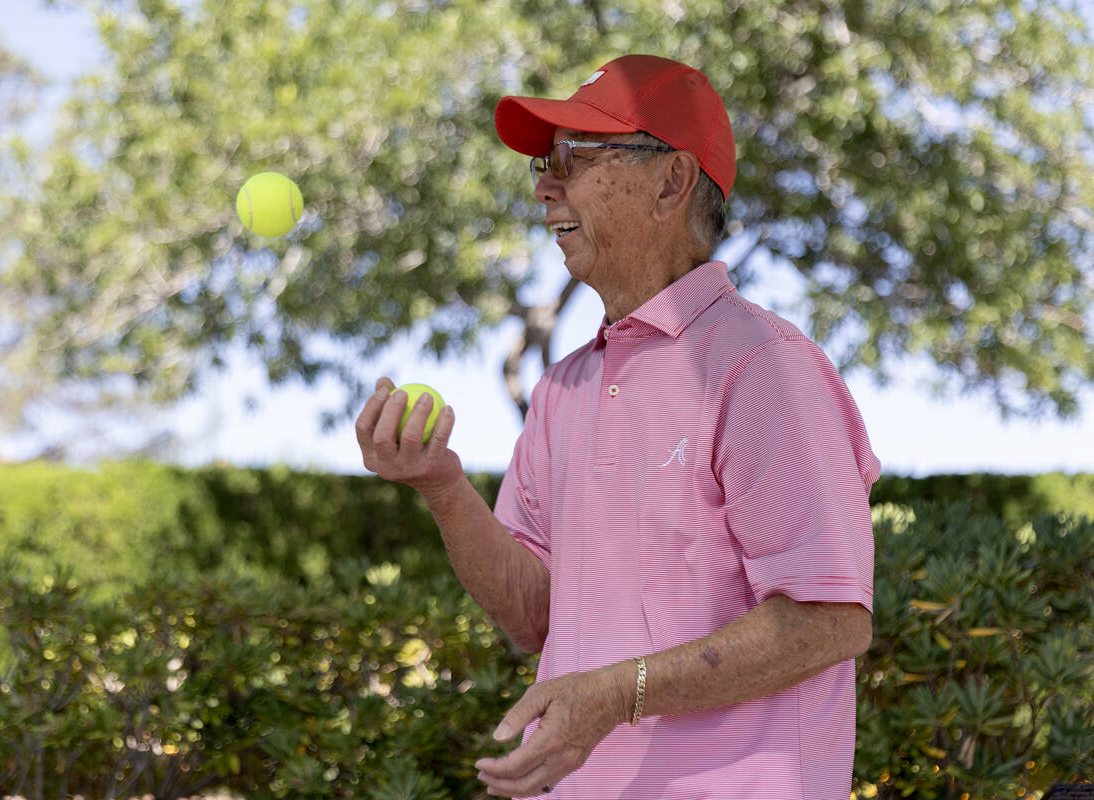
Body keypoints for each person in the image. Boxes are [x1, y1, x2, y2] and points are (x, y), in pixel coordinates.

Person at [355, 53, 881, 800]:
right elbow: (537, 618)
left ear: (671, 180)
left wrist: (616, 692)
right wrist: (441, 484)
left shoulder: (765, 367)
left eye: (573, 157)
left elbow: (830, 622)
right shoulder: (562, 388)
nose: (544, 184)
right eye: (545, 160)